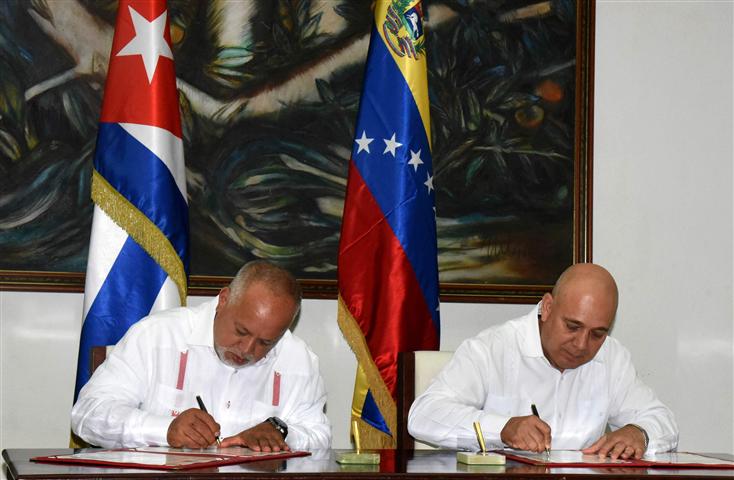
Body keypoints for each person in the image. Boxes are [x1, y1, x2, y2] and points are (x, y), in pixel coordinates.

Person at [408, 263, 678, 459]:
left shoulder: (612, 357)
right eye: (572, 326)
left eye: (597, 334)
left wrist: (639, 433)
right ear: (547, 307)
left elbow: (662, 420)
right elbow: (424, 415)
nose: (581, 344)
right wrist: (502, 428)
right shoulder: (492, 349)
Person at [71, 260, 331, 451]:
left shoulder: (299, 360)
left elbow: (319, 436)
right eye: (241, 331)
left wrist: (280, 433)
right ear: (223, 299)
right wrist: (165, 429)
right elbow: (87, 415)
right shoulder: (157, 335)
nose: (247, 349)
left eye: (266, 342)